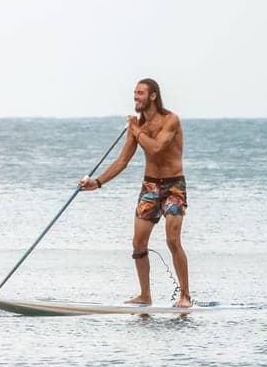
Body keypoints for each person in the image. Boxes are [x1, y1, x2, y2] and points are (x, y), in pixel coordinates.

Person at [78, 79, 192, 308]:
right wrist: (97, 182)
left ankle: (185, 296)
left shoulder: (170, 120)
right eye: (134, 94)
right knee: (138, 243)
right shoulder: (137, 128)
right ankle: (145, 295)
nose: (136, 98)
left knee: (172, 239)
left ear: (153, 96)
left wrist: (136, 130)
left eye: (140, 93)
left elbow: (157, 147)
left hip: (173, 186)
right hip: (150, 186)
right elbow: (122, 161)